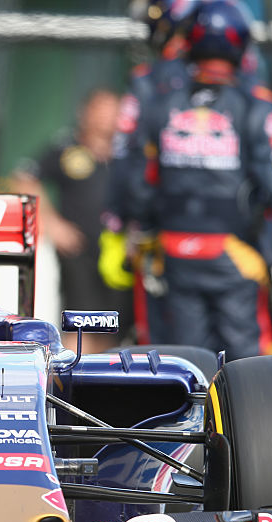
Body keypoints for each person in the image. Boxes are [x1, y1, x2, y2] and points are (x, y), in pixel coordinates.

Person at [129, 0, 272, 360]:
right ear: (241, 47)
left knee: (188, 358)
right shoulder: (257, 106)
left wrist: (144, 236)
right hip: (232, 252)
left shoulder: (161, 105)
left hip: (176, 249)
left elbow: (143, 181)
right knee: (246, 359)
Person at [101, 0, 200, 345]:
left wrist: (117, 218)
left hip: (160, 230)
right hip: (227, 235)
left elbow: (127, 152)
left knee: (159, 336)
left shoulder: (148, 80)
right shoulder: (237, 83)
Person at [13, 89, 128, 353]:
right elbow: (24, 177)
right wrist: (52, 224)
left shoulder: (128, 151)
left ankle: (106, 382)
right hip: (79, 252)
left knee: (115, 324)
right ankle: (76, 382)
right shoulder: (66, 147)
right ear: (85, 113)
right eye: (100, 110)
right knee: (81, 324)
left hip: (118, 254)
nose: (107, 118)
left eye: (113, 111)